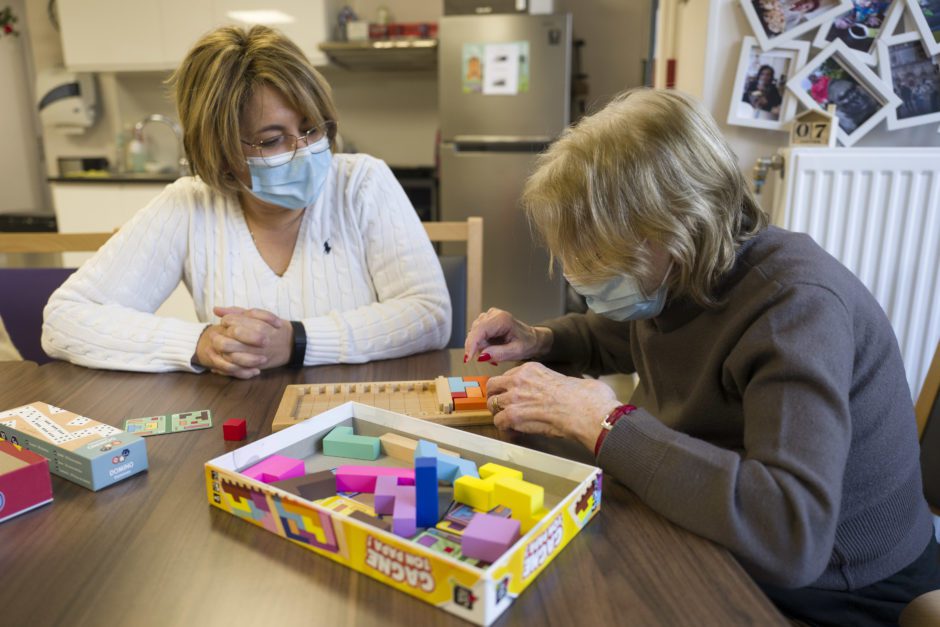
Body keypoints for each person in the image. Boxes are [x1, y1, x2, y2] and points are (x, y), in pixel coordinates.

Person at [463, 88, 940, 625]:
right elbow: (635, 334)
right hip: (735, 535)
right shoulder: (688, 272)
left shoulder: (796, 308)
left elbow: (791, 532)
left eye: (598, 253)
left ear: (675, 226)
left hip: (836, 585)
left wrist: (605, 423)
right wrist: (542, 339)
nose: (582, 274)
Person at [42, 26, 451, 378]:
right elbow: (64, 320)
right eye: (273, 140)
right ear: (219, 150)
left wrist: (297, 341)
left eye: (311, 129)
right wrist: (201, 342)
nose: (303, 150)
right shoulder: (189, 205)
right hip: (241, 430)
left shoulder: (362, 182)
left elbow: (430, 315)